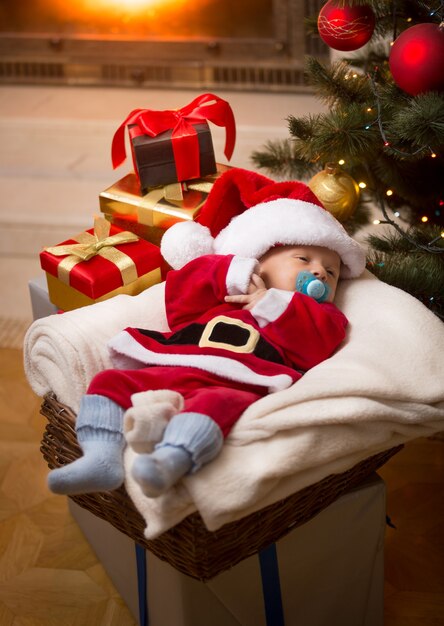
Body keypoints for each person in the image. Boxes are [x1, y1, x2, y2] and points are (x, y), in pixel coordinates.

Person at [47, 168, 366, 498]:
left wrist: (269, 304)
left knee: (217, 404)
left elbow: (314, 346)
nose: (319, 271)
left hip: (243, 378)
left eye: (331, 272)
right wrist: (230, 272)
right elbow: (180, 300)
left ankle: (170, 461)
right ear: (261, 258)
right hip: (177, 363)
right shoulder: (229, 289)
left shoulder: (322, 314)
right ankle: (101, 458)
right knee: (109, 381)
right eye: (304, 259)